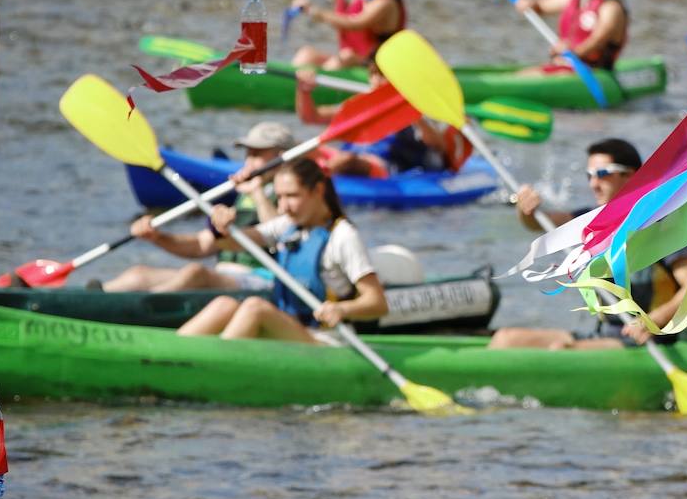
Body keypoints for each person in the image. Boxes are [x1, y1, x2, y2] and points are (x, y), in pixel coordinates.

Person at [489, 139, 687, 350]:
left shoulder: (661, 226)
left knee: (561, 350)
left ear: (632, 175)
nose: (593, 184)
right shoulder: (592, 222)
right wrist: (526, 208)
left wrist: (653, 320)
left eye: (602, 174)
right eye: (589, 176)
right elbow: (537, 223)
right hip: (604, 335)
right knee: (505, 338)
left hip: (649, 340)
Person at [176, 158, 388, 343]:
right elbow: (231, 243)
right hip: (289, 330)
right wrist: (219, 226)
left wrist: (342, 310)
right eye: (279, 197)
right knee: (224, 304)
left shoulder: (343, 236)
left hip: (326, 339)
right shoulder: (288, 225)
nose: (282, 207)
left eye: (292, 196)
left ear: (318, 190)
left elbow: (377, 303)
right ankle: (170, 353)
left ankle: (210, 366)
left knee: (255, 308)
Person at [102, 121, 294, 293]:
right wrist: (157, 237)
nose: (248, 162)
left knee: (196, 273)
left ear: (281, 156)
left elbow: (281, 234)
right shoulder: (244, 196)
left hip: (264, 280)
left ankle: (141, 307)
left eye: (257, 154)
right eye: (248, 154)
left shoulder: (293, 196)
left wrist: (257, 192)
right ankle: (90, 300)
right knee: (139, 275)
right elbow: (201, 245)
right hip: (224, 275)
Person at [294, 63, 464, 179]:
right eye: (372, 74)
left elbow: (439, 146)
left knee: (346, 159)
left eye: (383, 76)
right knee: (299, 149)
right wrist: (304, 92)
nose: (375, 81)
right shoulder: (362, 105)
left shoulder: (413, 109)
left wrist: (411, 110)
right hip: (346, 158)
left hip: (385, 167)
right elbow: (311, 117)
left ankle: (315, 181)